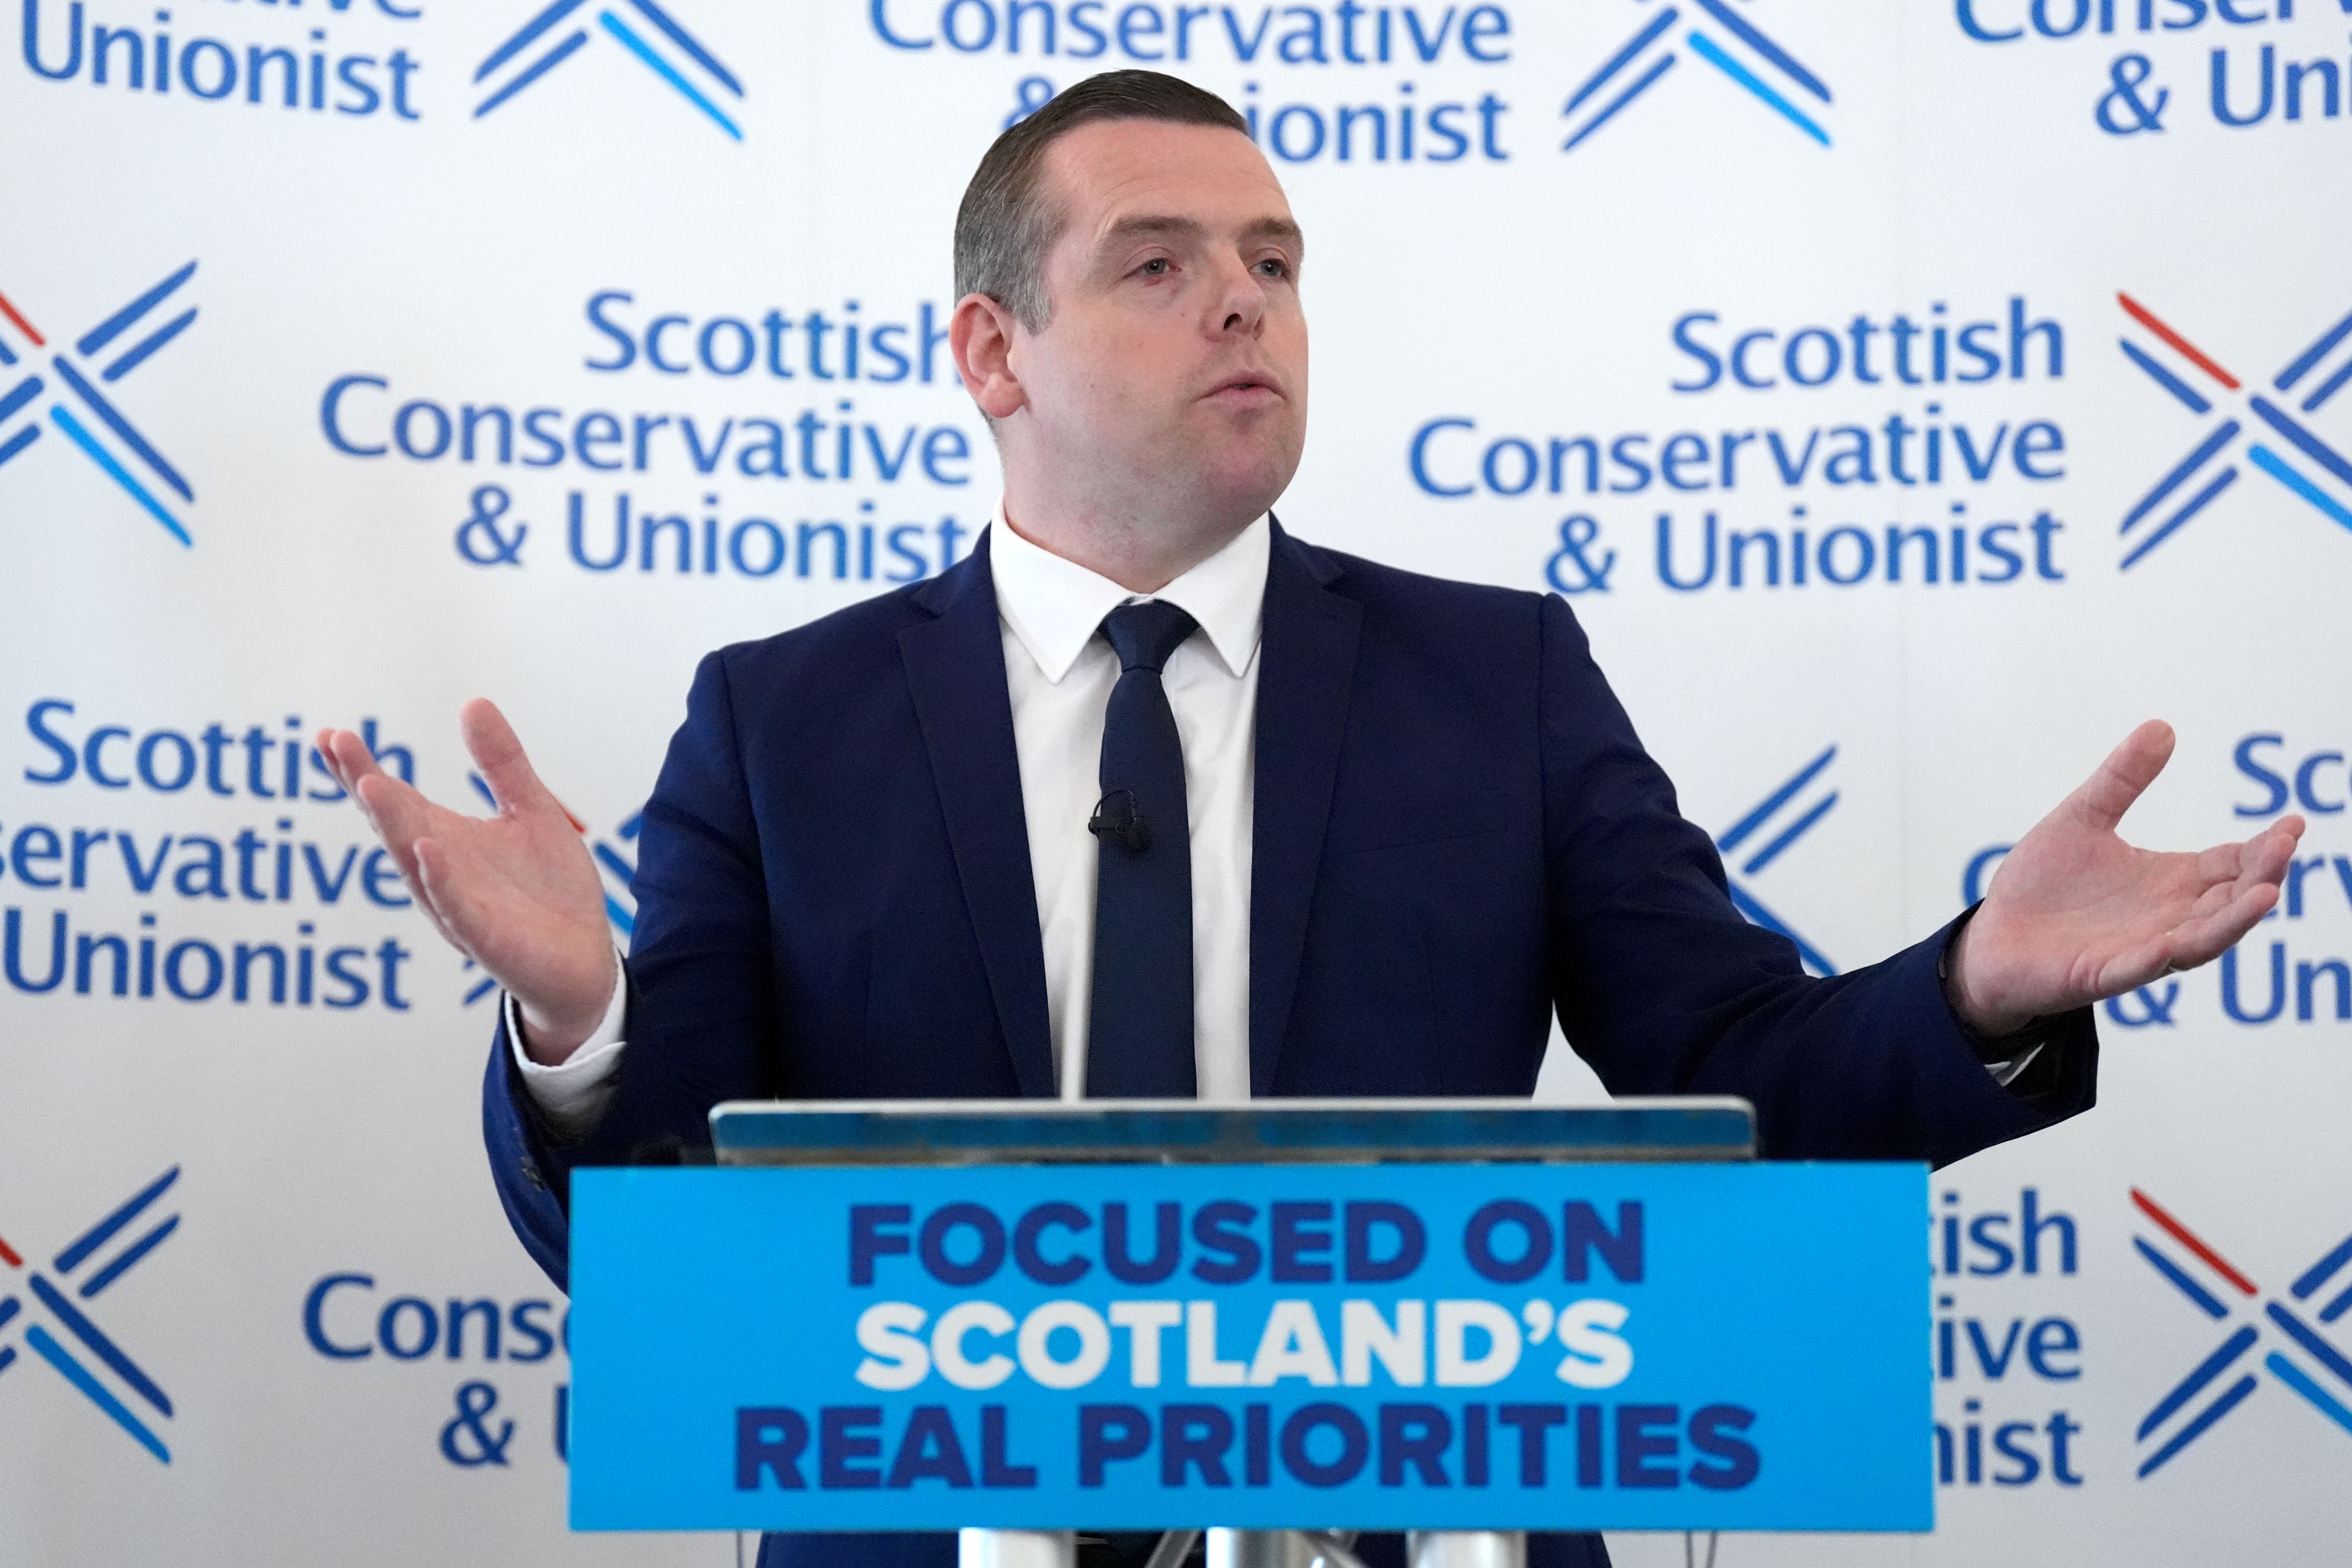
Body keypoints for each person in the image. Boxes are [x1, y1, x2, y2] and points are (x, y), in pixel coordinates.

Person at [317, 70, 2303, 1568]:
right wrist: (583, 1030)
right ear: (989, 350)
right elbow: (686, 1254)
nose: (1242, 304)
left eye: (1271, 263)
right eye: (1158, 266)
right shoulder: (784, 719)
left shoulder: (1494, 678)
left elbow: (1731, 1083)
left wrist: (1976, 986)